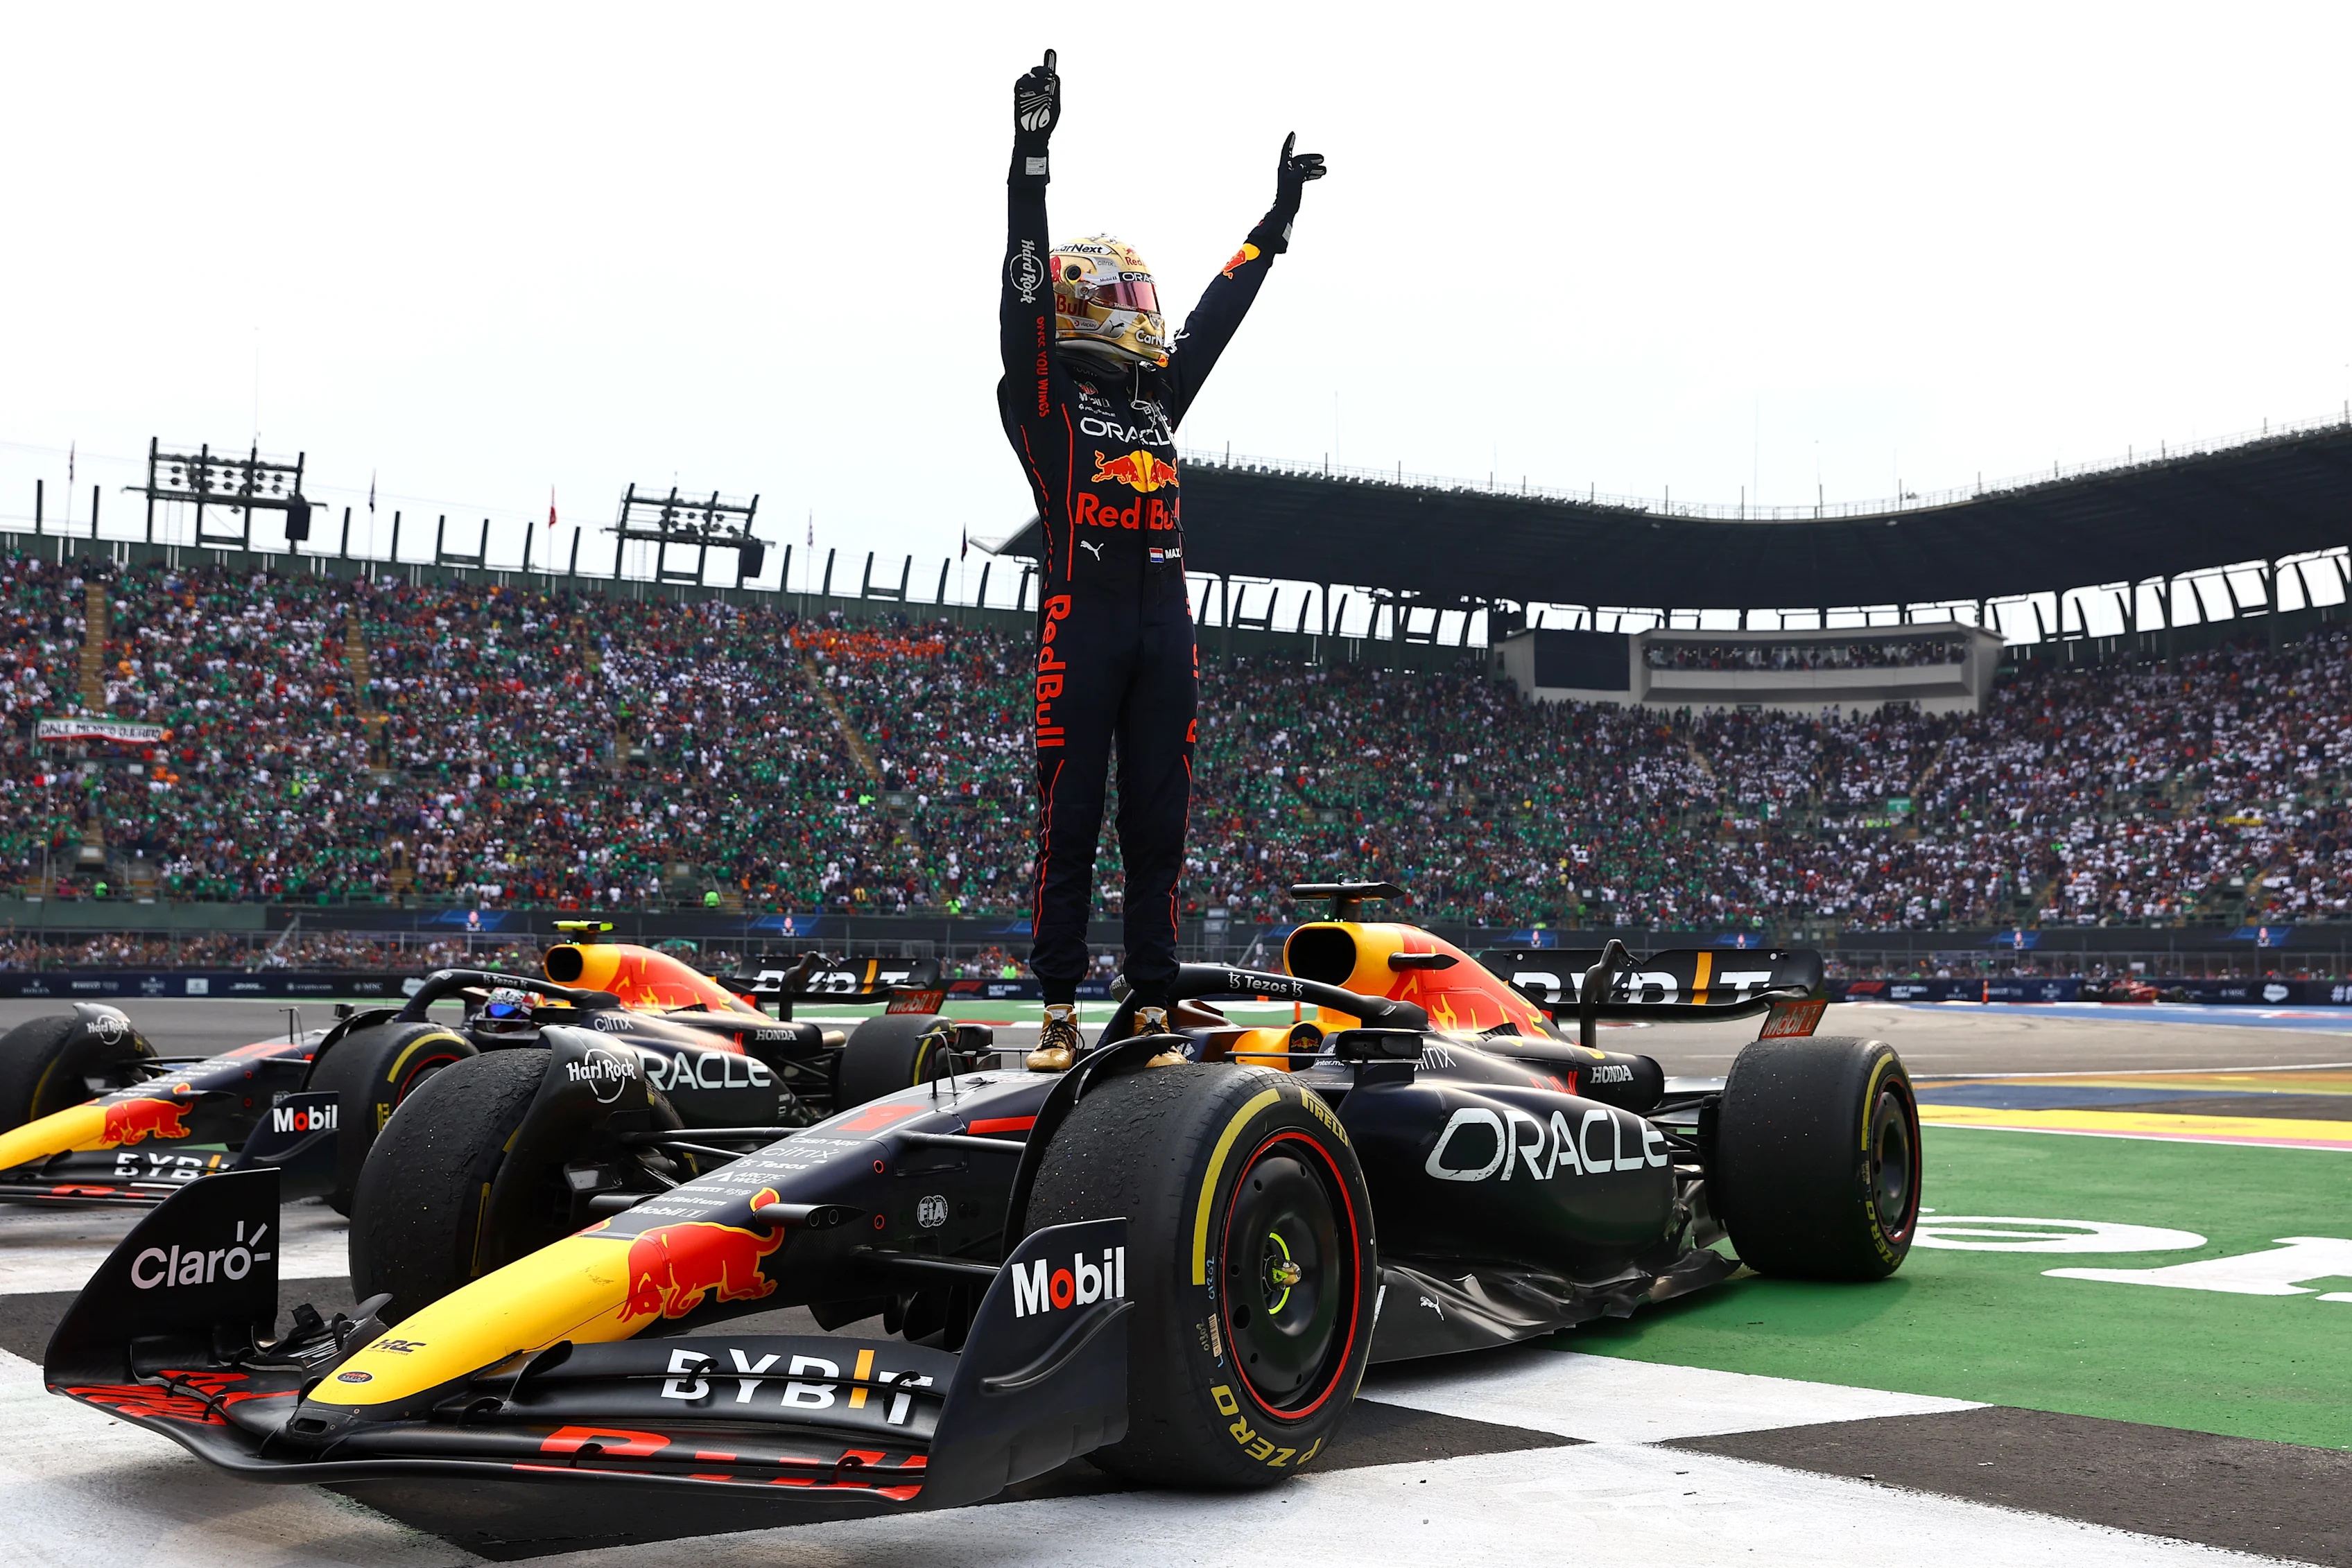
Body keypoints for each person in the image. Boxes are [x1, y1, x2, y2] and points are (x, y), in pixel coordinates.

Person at [997, 49, 1325, 1070]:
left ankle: (1150, 1000)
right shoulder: (1046, 402)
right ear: (1085, 302)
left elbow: (1214, 325)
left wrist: (1269, 232)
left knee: (1159, 823)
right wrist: (1029, 162)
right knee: (1072, 819)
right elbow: (1018, 302)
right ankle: (1058, 1008)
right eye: (1123, 294)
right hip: (1080, 630)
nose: (1143, 310)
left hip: (1163, 637)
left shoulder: (1156, 401)